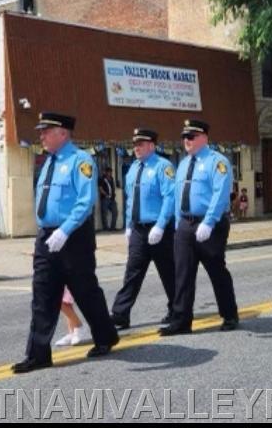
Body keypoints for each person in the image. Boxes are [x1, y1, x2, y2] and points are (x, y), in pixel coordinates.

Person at [12, 112, 119, 374]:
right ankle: (38, 354)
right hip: (47, 237)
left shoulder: (80, 161)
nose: (41, 136)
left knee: (85, 291)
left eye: (46, 131)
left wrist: (65, 230)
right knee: (43, 294)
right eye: (41, 131)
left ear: (62, 133)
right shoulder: (49, 162)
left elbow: (85, 201)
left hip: (74, 238)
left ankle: (105, 336)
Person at [160, 120, 239, 335]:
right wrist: (178, 223)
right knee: (182, 273)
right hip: (186, 224)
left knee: (216, 269)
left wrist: (209, 221)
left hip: (209, 224)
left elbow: (221, 194)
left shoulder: (217, 162)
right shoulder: (183, 163)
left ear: (204, 137)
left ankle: (229, 314)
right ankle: (181, 321)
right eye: (184, 137)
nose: (187, 140)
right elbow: (178, 196)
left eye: (191, 136)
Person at [110, 128, 177, 330]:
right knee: (132, 272)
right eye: (135, 144)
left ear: (151, 145)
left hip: (160, 230)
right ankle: (120, 314)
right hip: (139, 230)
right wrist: (129, 226)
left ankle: (177, 310)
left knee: (169, 272)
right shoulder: (133, 169)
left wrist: (160, 224)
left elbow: (170, 197)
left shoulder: (163, 167)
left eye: (140, 144)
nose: (136, 148)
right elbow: (131, 201)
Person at [98, 167, 118, 231]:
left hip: (112, 199)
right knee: (104, 213)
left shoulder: (111, 178)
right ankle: (105, 228)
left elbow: (112, 187)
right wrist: (106, 195)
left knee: (115, 212)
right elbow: (100, 188)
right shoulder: (102, 178)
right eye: (108, 172)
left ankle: (113, 227)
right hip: (105, 198)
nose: (110, 173)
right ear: (106, 172)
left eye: (110, 172)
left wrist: (113, 194)